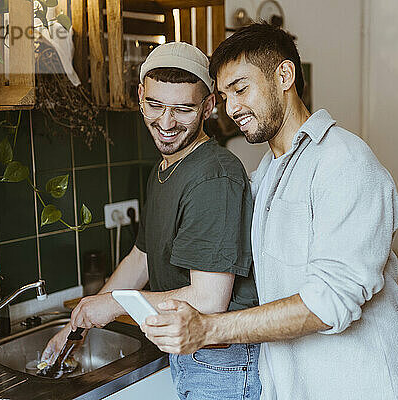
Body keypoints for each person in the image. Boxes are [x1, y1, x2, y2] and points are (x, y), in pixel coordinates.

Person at [142, 23, 398, 400]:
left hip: (367, 386)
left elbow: (329, 303)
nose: (232, 108)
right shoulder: (267, 173)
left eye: (241, 89)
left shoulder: (344, 161)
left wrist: (210, 328)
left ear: (284, 75)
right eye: (225, 95)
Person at [41, 42, 261, 400]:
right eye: (155, 105)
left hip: (221, 361)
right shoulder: (166, 168)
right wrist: (78, 327)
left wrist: (114, 304)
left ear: (208, 107)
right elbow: (140, 258)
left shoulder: (215, 175)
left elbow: (209, 299)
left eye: (183, 109)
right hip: (190, 353)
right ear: (140, 95)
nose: (166, 122)